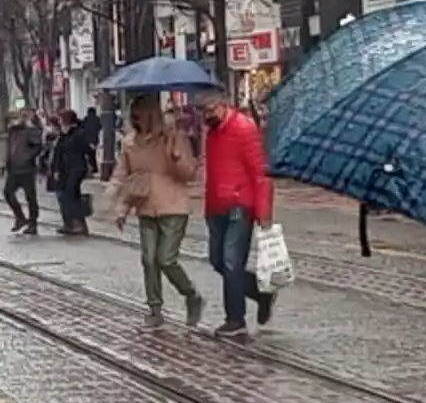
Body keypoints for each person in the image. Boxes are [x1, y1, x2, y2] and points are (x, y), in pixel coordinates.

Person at [109, 95, 204, 329]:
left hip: (173, 206)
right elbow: (124, 176)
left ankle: (191, 295)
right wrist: (120, 207)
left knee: (166, 259)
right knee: (148, 260)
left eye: (140, 116)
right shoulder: (130, 143)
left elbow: (189, 173)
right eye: (134, 116)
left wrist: (176, 155)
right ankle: (154, 308)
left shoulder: (173, 137)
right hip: (145, 207)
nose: (136, 120)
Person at [196, 90, 276, 337]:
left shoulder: (244, 128)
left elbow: (259, 173)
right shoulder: (212, 133)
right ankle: (261, 293)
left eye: (211, 110)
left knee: (232, 261)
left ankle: (235, 319)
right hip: (217, 205)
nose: (208, 116)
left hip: (240, 204)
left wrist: (263, 212)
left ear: (223, 105)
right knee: (218, 260)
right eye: (203, 112)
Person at [51, 109, 93, 235]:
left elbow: (88, 150)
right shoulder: (63, 135)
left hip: (77, 168)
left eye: (61, 119)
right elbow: (58, 152)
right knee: (69, 196)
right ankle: (75, 224)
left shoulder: (79, 133)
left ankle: (77, 224)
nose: (59, 122)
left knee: (69, 195)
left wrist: (93, 166)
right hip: (65, 169)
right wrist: (56, 169)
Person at [4, 110, 42, 235]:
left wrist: (28, 156)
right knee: (8, 193)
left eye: (15, 118)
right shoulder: (12, 132)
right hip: (13, 169)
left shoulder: (30, 131)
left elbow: (38, 146)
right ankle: (20, 217)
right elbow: (9, 149)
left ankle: (33, 223)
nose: (12, 121)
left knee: (30, 197)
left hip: (26, 169)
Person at [83, 107, 102, 175]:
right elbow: (100, 128)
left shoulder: (85, 120)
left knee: (90, 155)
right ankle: (96, 168)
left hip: (88, 140)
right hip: (96, 140)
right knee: (96, 155)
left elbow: (83, 130)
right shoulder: (98, 119)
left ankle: (93, 168)